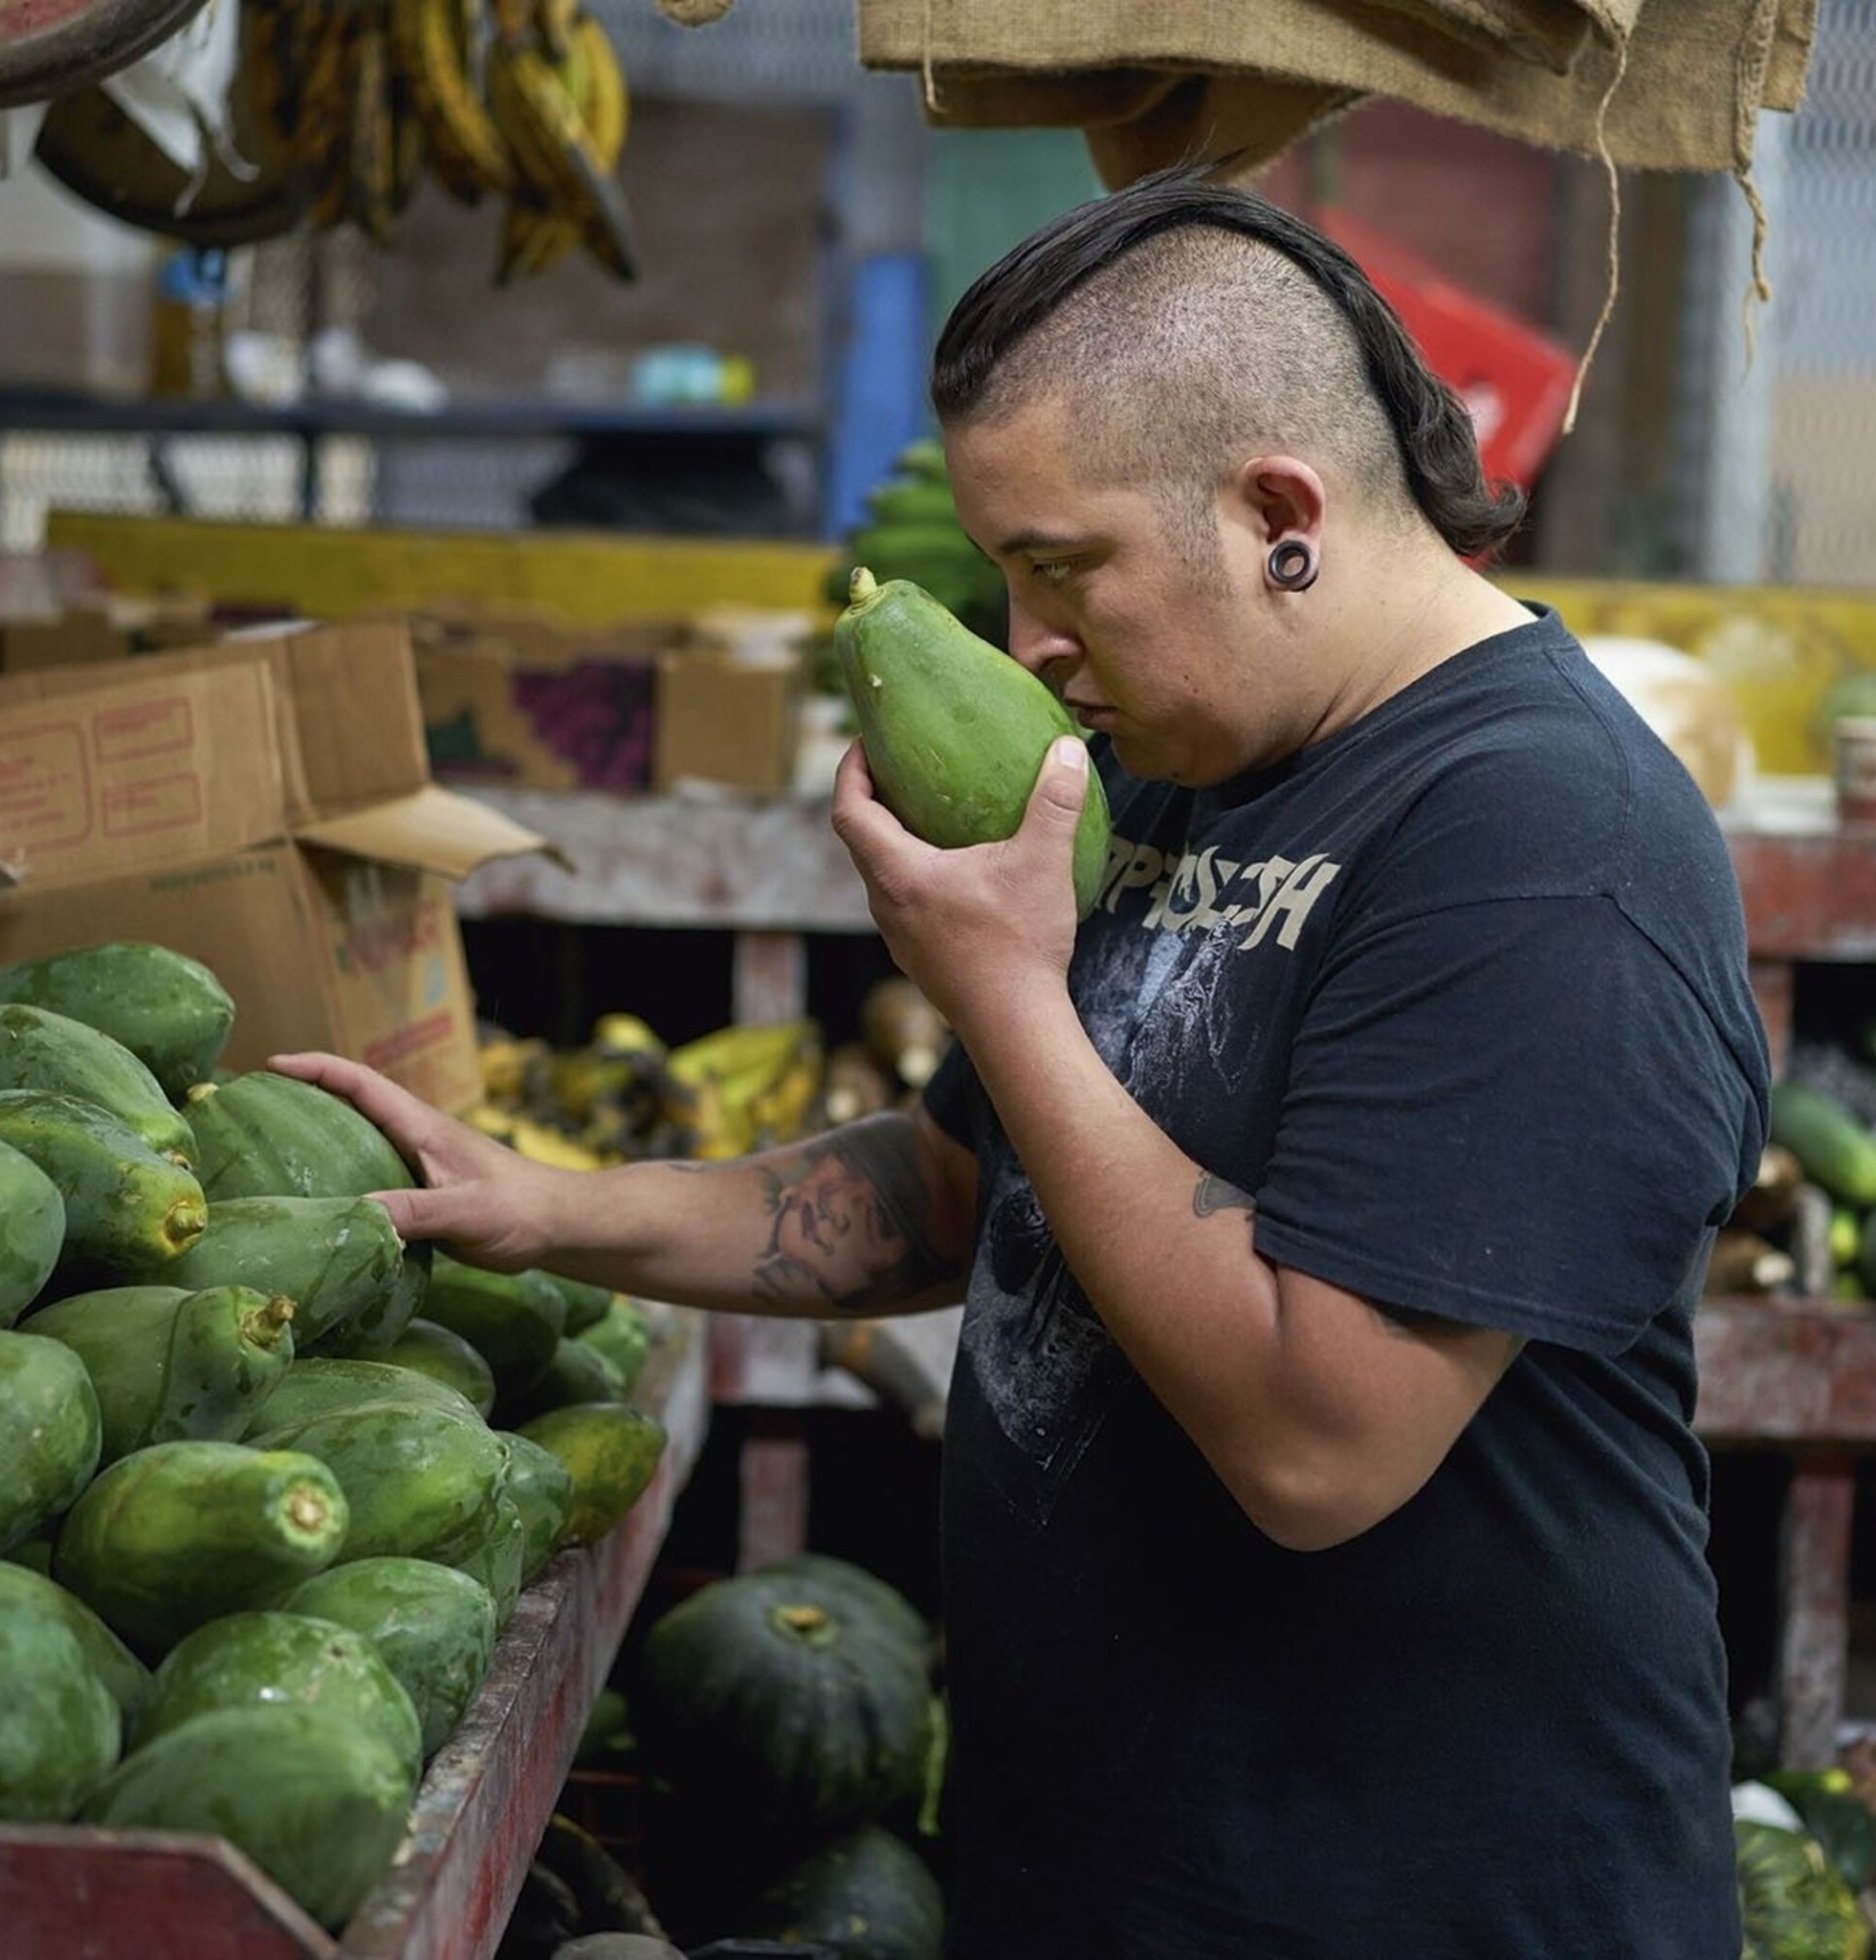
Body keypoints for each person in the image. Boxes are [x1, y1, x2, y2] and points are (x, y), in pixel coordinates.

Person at [282, 167, 1769, 1959]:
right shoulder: (1184, 754)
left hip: (1412, 1902)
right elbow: (963, 1189)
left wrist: (1001, 990)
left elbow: (1321, 1440)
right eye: (1003, 578)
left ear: (1279, 513)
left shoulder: (1547, 843)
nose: (1024, 650)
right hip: (1114, 1874)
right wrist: (548, 1206)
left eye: (1061, 573)